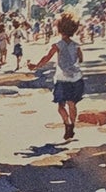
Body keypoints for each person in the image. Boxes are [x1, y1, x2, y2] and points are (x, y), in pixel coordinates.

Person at [31, 11, 88, 141]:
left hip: (62, 79)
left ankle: (67, 124)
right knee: (72, 104)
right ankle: (72, 125)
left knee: (61, 106)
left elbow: (46, 58)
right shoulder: (76, 46)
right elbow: (81, 59)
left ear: (59, 28)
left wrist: (35, 66)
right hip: (76, 78)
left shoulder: (57, 45)